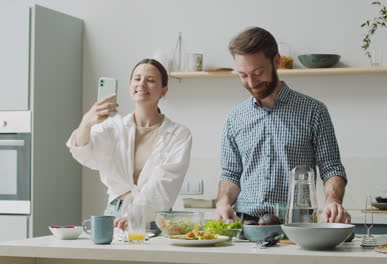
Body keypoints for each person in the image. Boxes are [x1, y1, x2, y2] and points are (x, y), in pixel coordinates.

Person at [215, 27, 350, 224]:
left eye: (258, 72)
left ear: (276, 61)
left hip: (297, 223)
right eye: (243, 75)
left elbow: (331, 168)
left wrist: (333, 201)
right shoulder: (235, 118)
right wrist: (223, 202)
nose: (251, 82)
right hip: (246, 224)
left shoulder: (314, 111)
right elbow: (231, 174)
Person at [67, 58, 192, 230]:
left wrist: (135, 214)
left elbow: (165, 183)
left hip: (154, 216)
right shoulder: (113, 127)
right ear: (130, 86)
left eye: (151, 80)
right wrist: (86, 123)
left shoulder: (179, 134)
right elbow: (84, 155)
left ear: (164, 90)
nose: (142, 84)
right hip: (115, 215)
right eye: (137, 78)